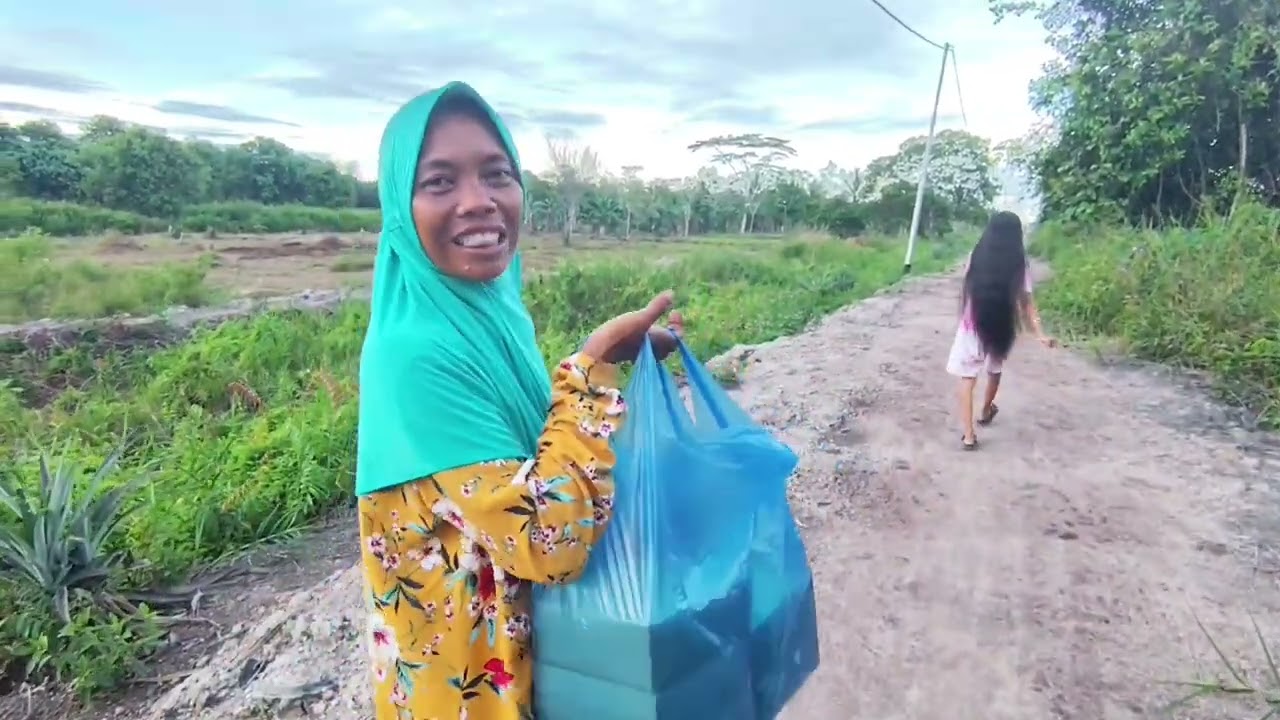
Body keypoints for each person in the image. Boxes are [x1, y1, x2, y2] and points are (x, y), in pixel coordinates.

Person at [355, 81, 683, 720]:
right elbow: (548, 541)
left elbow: (526, 459)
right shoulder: (414, 355)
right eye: (440, 182)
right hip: (471, 694)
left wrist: (605, 365)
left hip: (531, 665)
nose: (479, 201)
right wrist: (590, 369)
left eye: (497, 174)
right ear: (398, 206)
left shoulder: (490, 310)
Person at [945, 210, 1055, 450]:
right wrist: (1040, 334)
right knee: (994, 369)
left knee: (967, 377)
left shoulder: (976, 255)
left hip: (972, 325)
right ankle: (986, 410)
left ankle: (969, 436)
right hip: (1001, 326)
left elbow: (967, 287)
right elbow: (1027, 304)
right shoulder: (1019, 264)